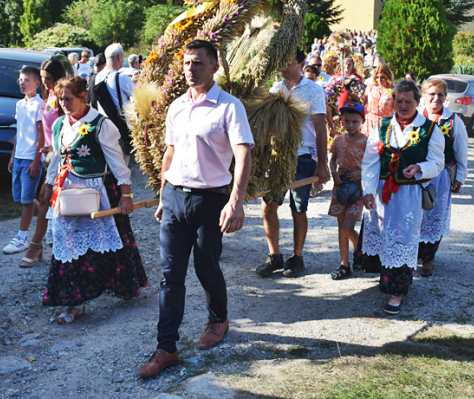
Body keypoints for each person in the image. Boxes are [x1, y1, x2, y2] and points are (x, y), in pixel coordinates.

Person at [137, 40, 254, 378]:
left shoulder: (229, 107)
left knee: (206, 269)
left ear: (215, 66)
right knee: (170, 276)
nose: (191, 69)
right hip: (174, 197)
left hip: (210, 200)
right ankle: (166, 348)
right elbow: (169, 154)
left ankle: (219, 319)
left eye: (198, 63)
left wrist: (236, 201)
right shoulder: (176, 107)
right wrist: (162, 195)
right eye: (187, 63)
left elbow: (244, 153)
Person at [43, 76, 147, 324]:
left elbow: (117, 163)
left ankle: (123, 285)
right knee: (68, 247)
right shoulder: (59, 125)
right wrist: (48, 187)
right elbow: (56, 159)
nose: (64, 103)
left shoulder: (101, 124)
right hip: (66, 196)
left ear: (83, 97)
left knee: (111, 243)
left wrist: (126, 196)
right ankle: (75, 303)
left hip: (96, 193)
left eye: (69, 98)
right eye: (61, 99)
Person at [359, 80, 445, 314]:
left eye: (408, 101)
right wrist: (367, 190)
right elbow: (370, 161)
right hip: (382, 191)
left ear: (418, 102)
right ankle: (386, 279)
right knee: (381, 233)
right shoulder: (383, 126)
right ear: (393, 102)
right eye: (399, 101)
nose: (403, 105)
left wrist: (419, 168)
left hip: (408, 194)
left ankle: (397, 292)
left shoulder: (429, 129)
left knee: (403, 239)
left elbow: (438, 163)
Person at [256, 49, 329, 278]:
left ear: (300, 64)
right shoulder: (275, 91)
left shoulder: (314, 91)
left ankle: (297, 257)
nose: (283, 67)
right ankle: (274, 255)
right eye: (281, 63)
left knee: (298, 208)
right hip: (277, 157)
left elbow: (320, 128)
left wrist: (322, 164)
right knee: (268, 206)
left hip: (303, 157)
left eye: (288, 62)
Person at [18, 59, 67, 268]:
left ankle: (36, 244)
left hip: (61, 154)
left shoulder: (63, 95)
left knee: (45, 197)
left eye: (49, 78)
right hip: (49, 155)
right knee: (52, 200)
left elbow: (67, 125)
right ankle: (53, 244)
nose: (45, 82)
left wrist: (55, 146)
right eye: (43, 78)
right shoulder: (49, 96)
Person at [418, 79, 468, 277]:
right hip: (416, 176)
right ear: (424, 96)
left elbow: (461, 152)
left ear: (446, 97)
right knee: (415, 215)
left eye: (440, 94)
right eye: (431, 94)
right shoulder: (416, 117)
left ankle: (429, 258)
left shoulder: (453, 121)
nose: (436, 98)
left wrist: (460, 177)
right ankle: (414, 253)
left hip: (441, 177)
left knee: (434, 216)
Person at [4, 66, 44, 255]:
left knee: (27, 200)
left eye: (26, 80)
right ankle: (47, 216)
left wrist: (37, 160)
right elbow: (19, 133)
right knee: (22, 198)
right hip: (19, 156)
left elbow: (40, 135)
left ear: (36, 83)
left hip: (30, 158)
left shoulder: (39, 105)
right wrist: (13, 156)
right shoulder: (19, 105)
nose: (22, 83)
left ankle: (22, 237)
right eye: (20, 80)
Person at [328, 101, 367, 280]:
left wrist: (361, 173)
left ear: (362, 121)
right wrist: (333, 172)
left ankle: (365, 254)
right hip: (340, 187)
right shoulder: (338, 140)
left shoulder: (367, 142)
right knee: (341, 228)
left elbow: (373, 165)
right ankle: (344, 264)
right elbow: (332, 160)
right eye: (347, 121)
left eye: (355, 121)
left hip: (357, 190)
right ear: (341, 121)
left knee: (348, 227)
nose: (350, 125)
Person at [361, 64, 394, 136]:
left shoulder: (393, 91)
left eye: (382, 77)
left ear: (387, 77)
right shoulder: (370, 88)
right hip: (369, 123)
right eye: (377, 77)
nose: (379, 80)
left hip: (385, 124)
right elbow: (363, 105)